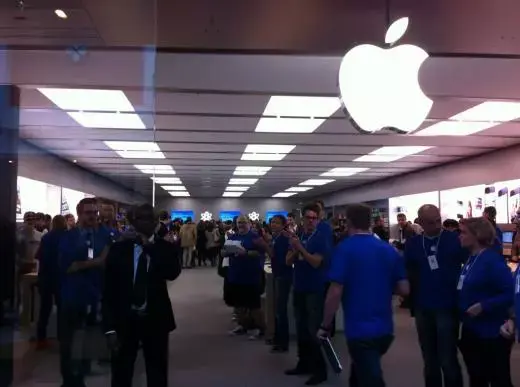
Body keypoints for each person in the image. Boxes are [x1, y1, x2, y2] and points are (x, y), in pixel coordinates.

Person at [318, 203, 409, 387]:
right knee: (360, 372)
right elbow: (404, 289)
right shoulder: (388, 249)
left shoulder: (344, 249)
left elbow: (335, 291)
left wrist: (325, 324)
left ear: (348, 222)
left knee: (371, 378)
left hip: (360, 330)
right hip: (385, 329)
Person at [102, 204, 181, 387]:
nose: (147, 222)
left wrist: (150, 247)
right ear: (132, 221)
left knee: (157, 373)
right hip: (124, 320)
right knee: (121, 373)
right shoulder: (118, 249)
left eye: (151, 219)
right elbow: (109, 289)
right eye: (141, 218)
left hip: (155, 319)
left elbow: (172, 272)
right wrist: (109, 327)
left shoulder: (165, 248)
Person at [404, 204, 465, 387]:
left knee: (448, 359)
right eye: (431, 222)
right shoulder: (413, 244)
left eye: (439, 220)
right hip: (423, 307)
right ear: (420, 222)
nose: (438, 225)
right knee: (429, 360)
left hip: (448, 306)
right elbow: (407, 272)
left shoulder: (455, 239)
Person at [58, 198, 113, 387]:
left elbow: (110, 262)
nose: (93, 216)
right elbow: (68, 267)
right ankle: (69, 381)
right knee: (68, 344)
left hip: (95, 296)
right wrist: (96, 262)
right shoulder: (68, 237)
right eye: (88, 212)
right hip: (72, 297)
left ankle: (80, 377)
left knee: (88, 343)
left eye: (95, 212)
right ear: (79, 213)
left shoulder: (105, 235)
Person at [457, 217, 514, 387]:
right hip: (472, 329)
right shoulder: (471, 258)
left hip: (491, 333)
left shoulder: (491, 260)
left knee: (498, 379)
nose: (459, 236)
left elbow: (508, 293)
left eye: (463, 233)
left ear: (477, 235)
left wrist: (484, 305)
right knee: (477, 377)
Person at [285, 203, 332, 386]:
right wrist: (296, 247)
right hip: (299, 286)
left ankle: (320, 370)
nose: (311, 221)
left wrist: (301, 249)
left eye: (315, 218)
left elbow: (316, 262)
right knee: (301, 328)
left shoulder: (321, 237)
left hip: (315, 288)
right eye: (308, 218)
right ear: (302, 219)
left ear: (318, 219)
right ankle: (303, 363)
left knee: (314, 330)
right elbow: (288, 261)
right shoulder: (301, 234)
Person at [224, 215, 266, 339]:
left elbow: (261, 253)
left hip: (251, 276)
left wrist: (246, 252)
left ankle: (261, 329)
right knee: (239, 305)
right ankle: (243, 326)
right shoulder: (233, 237)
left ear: (249, 223)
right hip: (236, 275)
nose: (241, 225)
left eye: (243, 222)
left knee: (254, 306)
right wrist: (224, 252)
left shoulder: (255, 237)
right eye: (238, 222)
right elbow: (225, 251)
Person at [36, 215, 67, 349]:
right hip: (62, 278)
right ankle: (62, 338)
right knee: (63, 310)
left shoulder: (46, 237)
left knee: (44, 309)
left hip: (46, 277)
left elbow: (38, 256)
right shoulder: (68, 237)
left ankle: (41, 339)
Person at [266, 214, 292, 353]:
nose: (273, 224)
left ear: (283, 224)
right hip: (277, 274)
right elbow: (272, 255)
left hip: (284, 276)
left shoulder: (285, 238)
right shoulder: (275, 238)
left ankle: (283, 342)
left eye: (276, 222)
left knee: (281, 310)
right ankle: (278, 339)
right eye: (272, 222)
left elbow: (286, 259)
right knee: (277, 309)